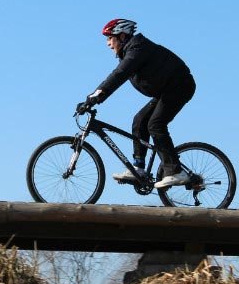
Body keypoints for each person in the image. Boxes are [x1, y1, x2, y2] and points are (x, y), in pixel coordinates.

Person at [84, 18, 196, 189]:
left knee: (155, 124)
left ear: (122, 36)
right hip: (166, 90)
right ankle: (139, 169)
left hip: (180, 86)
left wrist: (97, 95)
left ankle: (175, 171)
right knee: (140, 120)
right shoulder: (130, 52)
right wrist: (96, 95)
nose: (108, 44)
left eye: (110, 38)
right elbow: (119, 72)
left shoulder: (137, 49)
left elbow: (119, 74)